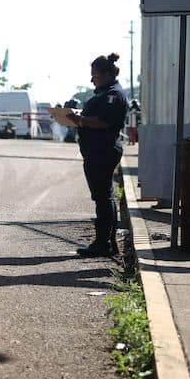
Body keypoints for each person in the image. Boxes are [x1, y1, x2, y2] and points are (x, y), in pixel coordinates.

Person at [65, 53, 128, 257]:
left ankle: (103, 243)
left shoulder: (113, 95)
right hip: (96, 150)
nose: (93, 79)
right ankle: (106, 242)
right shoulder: (104, 93)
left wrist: (80, 120)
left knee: (103, 197)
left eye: (96, 75)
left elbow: (104, 121)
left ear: (108, 74)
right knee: (102, 197)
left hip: (103, 150)